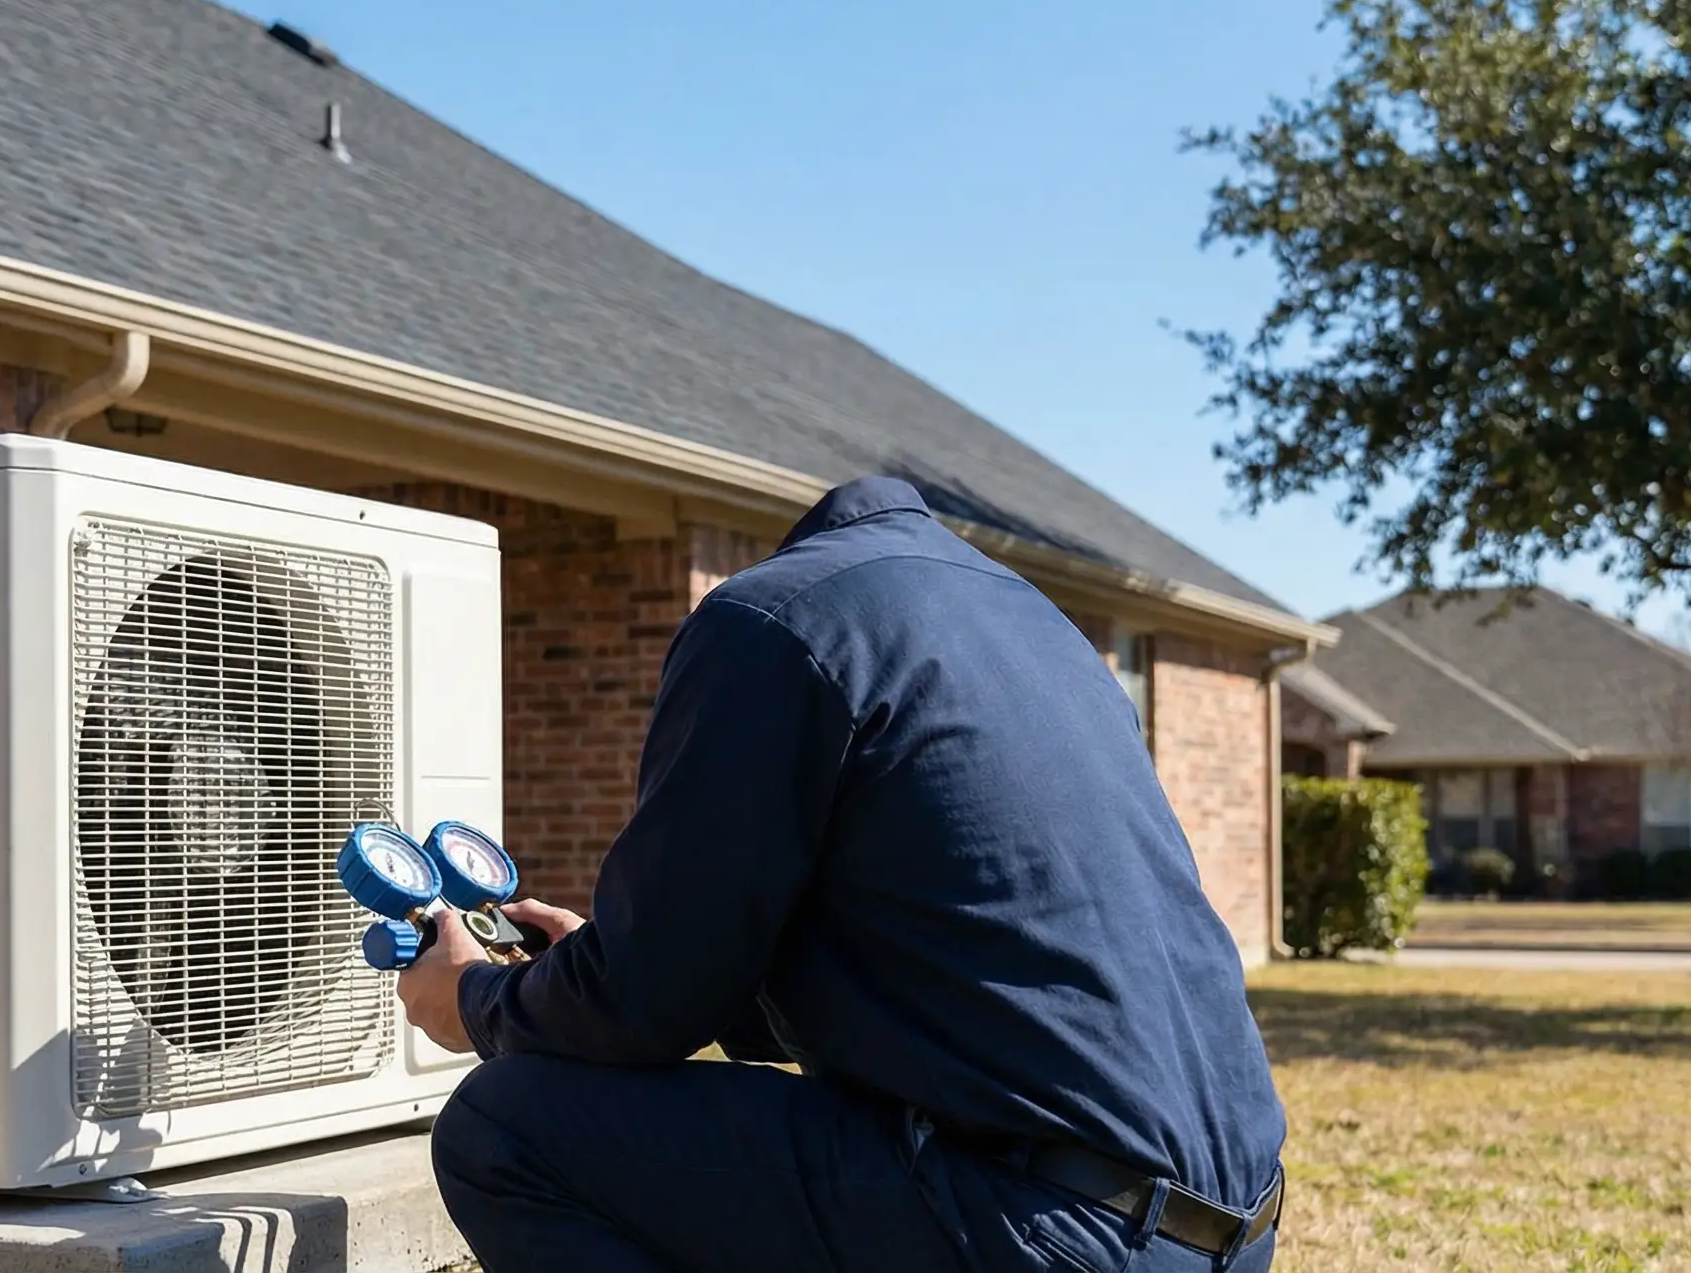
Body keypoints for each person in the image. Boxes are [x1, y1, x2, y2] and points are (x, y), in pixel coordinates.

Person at [394, 477, 1284, 1272]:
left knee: (503, 1125)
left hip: (1050, 1229)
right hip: (1230, 1229)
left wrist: (472, 1000)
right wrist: (601, 961)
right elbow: (937, 971)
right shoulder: (1042, 636)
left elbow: (649, 1003)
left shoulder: (771, 619)